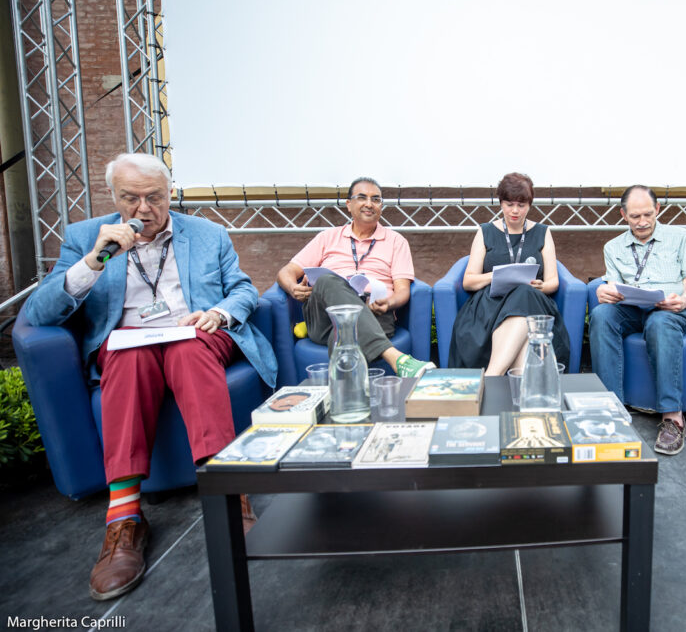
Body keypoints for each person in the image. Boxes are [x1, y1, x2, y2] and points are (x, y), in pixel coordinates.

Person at [22, 153, 277, 601]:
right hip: (127, 343)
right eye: (130, 198)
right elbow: (41, 312)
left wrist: (218, 313)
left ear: (170, 193)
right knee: (129, 356)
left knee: (188, 347)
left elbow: (242, 289)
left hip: (197, 333)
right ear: (113, 196)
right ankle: (124, 519)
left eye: (154, 197)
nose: (143, 208)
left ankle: (226, 496)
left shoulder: (208, 234)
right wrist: (94, 261)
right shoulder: (85, 238)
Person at [589, 185, 686, 455]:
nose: (642, 222)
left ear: (657, 209)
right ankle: (611, 410)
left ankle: (672, 417)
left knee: (659, 323)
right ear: (623, 215)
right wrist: (605, 291)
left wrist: (684, 299)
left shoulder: (680, 237)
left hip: (670, 308)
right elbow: (613, 285)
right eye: (634, 217)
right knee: (601, 315)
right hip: (632, 308)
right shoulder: (613, 247)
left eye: (647, 215)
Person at [276, 177, 434, 377]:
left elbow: (403, 291)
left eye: (376, 199)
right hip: (325, 317)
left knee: (343, 335)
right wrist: (293, 287)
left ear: (381, 207)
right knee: (327, 280)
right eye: (362, 197)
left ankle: (346, 395)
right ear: (349, 205)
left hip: (374, 313)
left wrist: (388, 303)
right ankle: (397, 359)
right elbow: (286, 272)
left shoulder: (396, 241)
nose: (369, 204)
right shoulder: (327, 237)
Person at [448, 172, 570, 374]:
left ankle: (491, 376)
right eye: (509, 204)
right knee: (526, 323)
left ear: (529, 205)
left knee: (525, 293)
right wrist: (495, 275)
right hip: (492, 304)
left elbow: (553, 281)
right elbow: (468, 281)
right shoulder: (485, 231)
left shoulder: (543, 232)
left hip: (533, 300)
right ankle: (519, 383)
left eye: (521, 205)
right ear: (500, 203)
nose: (515, 211)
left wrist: (541, 286)